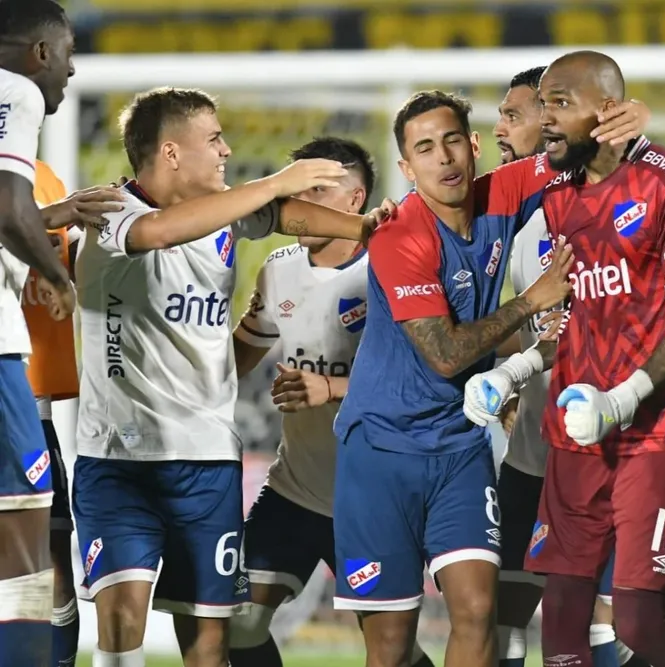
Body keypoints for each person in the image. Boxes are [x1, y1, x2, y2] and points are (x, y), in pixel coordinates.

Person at [72, 87, 384, 667]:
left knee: (213, 642)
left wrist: (363, 227)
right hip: (119, 460)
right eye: (213, 139)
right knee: (120, 622)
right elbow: (162, 233)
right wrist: (273, 181)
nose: (227, 149)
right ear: (170, 153)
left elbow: (283, 215)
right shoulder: (110, 210)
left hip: (207, 460)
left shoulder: (228, 220)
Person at [466, 50, 665, 667]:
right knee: (562, 620)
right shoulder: (556, 192)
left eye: (559, 104)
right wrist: (514, 370)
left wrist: (623, 398)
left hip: (654, 426)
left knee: (635, 614)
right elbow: (577, 313)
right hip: (575, 428)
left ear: (608, 112)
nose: (544, 119)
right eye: (540, 105)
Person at [330, 87, 580, 667]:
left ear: (472, 146)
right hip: (381, 453)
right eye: (424, 149)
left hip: (460, 446)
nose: (442, 158)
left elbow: (574, 149)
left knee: (476, 610)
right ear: (406, 166)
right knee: (391, 647)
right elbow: (443, 354)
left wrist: (629, 125)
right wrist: (530, 303)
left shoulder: (502, 192)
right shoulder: (400, 236)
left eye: (450, 142)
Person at [227, 135, 432, 667]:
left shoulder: (392, 270)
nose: (300, 199)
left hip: (372, 497)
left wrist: (331, 389)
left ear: (354, 200)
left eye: (317, 187)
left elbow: (424, 377)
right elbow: (236, 359)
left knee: (394, 652)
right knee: (237, 622)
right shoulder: (279, 269)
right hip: (295, 488)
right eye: (295, 187)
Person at [492, 65, 652, 667]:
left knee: (603, 621)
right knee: (502, 614)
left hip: (604, 450)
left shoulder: (621, 196)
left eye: (516, 114)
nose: (501, 128)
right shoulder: (512, 214)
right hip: (532, 452)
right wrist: (510, 377)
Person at [21, 160, 126, 667]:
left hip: (27, 405)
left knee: (51, 559)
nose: (68, 73)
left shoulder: (40, 172)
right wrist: (46, 216)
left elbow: (53, 255)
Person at [0, 2, 79, 665]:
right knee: (26, 539)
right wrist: (57, 274)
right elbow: (8, 207)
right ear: (39, 52)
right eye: (68, 50)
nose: (73, 68)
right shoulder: (14, 90)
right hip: (0, 356)